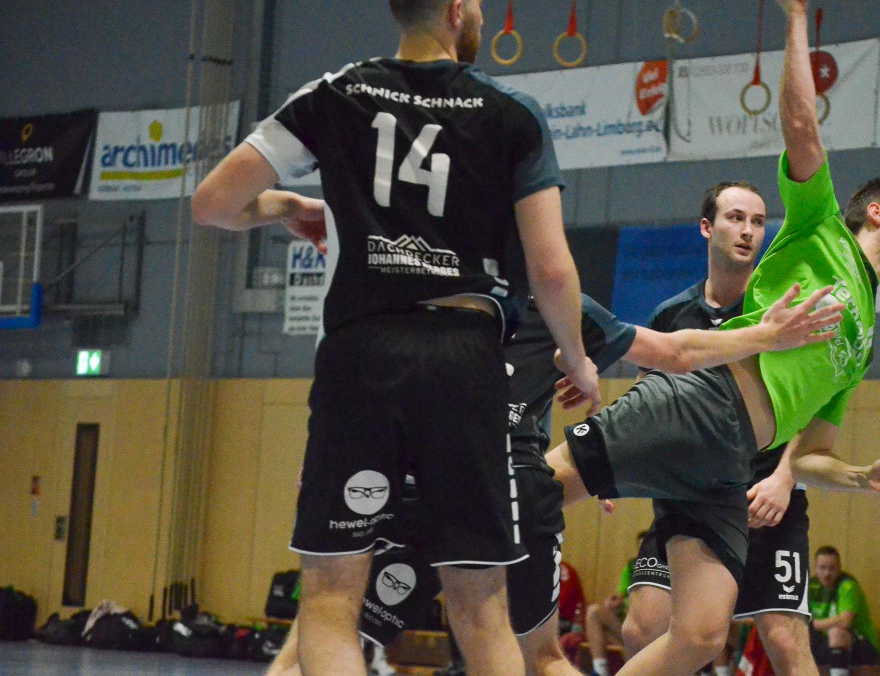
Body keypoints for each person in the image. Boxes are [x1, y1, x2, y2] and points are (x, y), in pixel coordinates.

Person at [192, 0, 603, 675]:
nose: (482, 16)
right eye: (481, 3)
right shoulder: (511, 114)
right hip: (466, 358)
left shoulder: (335, 94)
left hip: (362, 354)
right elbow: (550, 267)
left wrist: (284, 205)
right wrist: (577, 360)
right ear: (456, 11)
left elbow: (213, 203)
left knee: (329, 600)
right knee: (482, 609)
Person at [545, 0, 880, 676]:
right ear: (876, 212)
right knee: (544, 498)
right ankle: (442, 527)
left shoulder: (864, 342)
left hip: (733, 463)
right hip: (704, 408)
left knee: (700, 636)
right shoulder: (821, 228)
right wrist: (795, 16)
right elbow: (801, 123)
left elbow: (809, 452)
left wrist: (860, 475)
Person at [266, 288, 844, 676]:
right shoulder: (555, 299)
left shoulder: (432, 292)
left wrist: (331, 458)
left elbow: (366, 376)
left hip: (445, 478)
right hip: (496, 484)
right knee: (527, 653)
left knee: (330, 619)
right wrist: (766, 337)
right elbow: (674, 351)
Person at [624, 179, 823, 676]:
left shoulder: (778, 313)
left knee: (785, 638)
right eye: (736, 218)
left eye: (758, 221)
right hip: (689, 494)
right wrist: (612, 469)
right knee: (642, 628)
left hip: (763, 497)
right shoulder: (671, 315)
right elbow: (645, 405)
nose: (749, 230)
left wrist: (785, 478)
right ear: (706, 227)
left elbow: (815, 406)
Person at [808, 546, 880, 675]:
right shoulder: (811, 586)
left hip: (861, 643)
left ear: (839, 568)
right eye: (822, 568)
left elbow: (845, 622)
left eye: (832, 568)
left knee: (837, 632)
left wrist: (812, 625)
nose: (827, 574)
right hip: (826, 641)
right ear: (815, 568)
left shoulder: (848, 586)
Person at [584, 530, 647, 676]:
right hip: (629, 627)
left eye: (645, 548)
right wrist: (615, 601)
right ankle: (600, 671)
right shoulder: (631, 567)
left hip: (653, 632)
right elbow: (622, 595)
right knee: (594, 612)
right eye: (639, 548)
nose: (641, 552)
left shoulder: (666, 571)